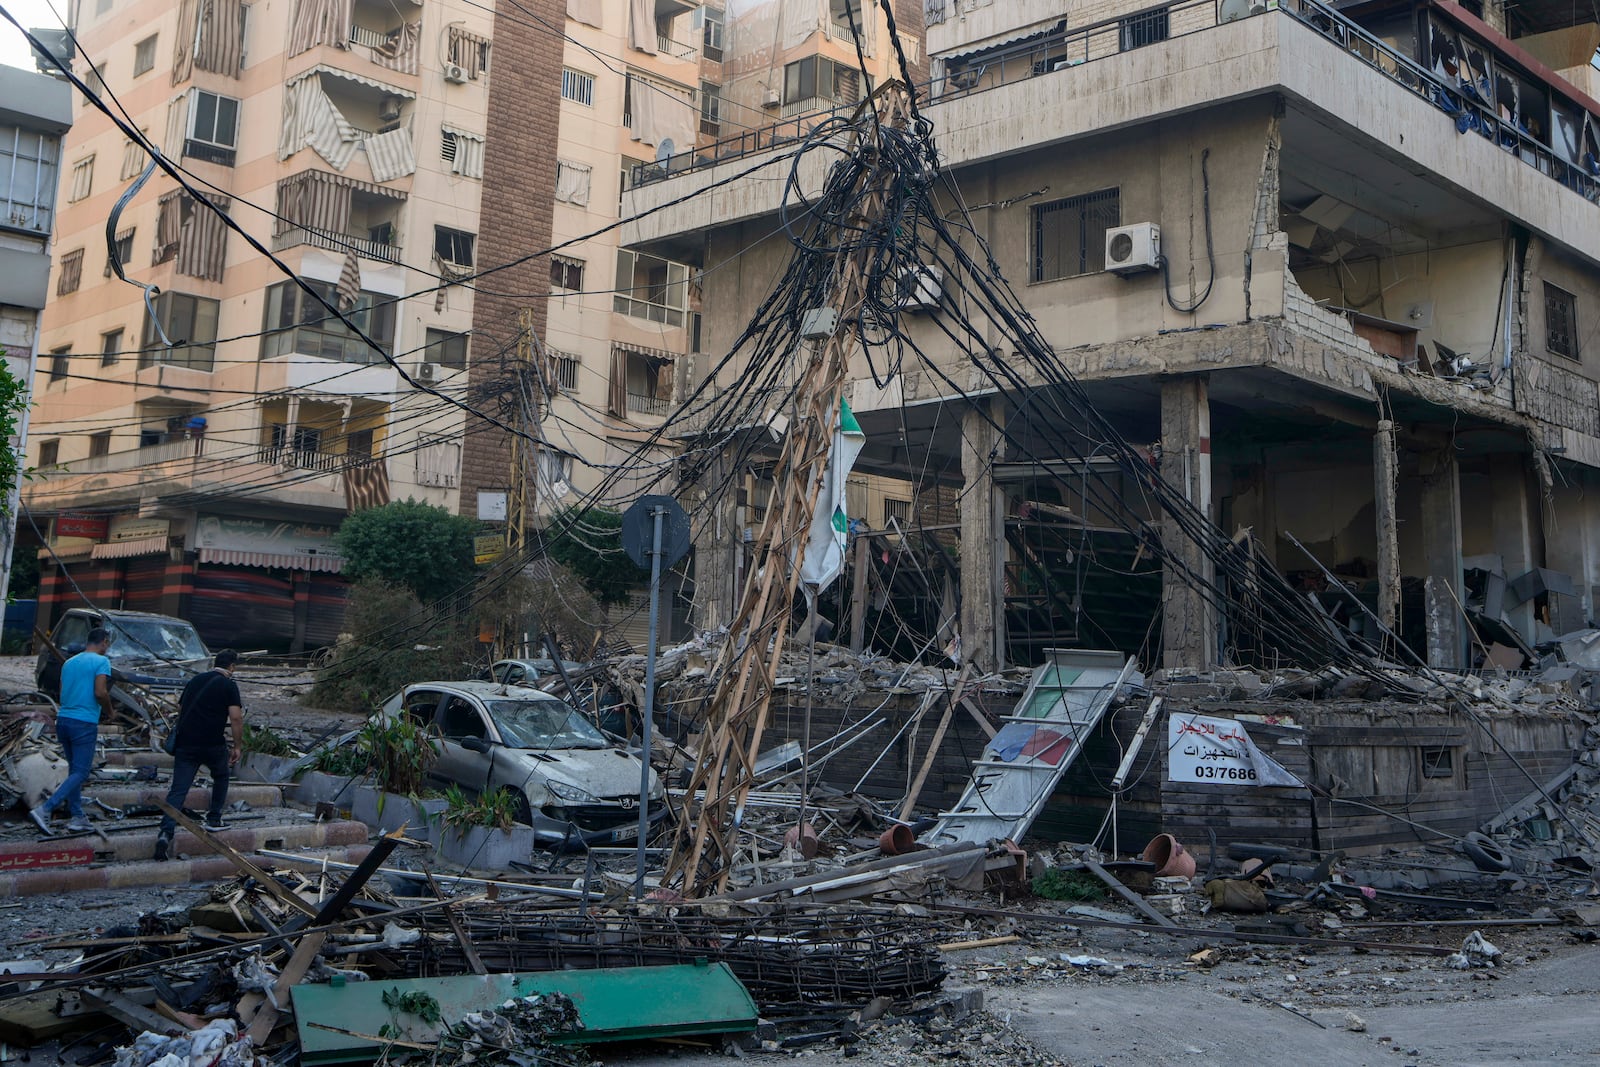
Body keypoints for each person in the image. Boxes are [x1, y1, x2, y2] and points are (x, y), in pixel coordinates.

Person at [154, 649, 244, 861]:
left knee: (178, 789)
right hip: (212, 743)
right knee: (221, 775)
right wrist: (237, 746)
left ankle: (165, 832)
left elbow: (181, 707)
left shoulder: (195, 680)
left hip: (186, 743)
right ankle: (214, 819)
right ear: (232, 667)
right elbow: (236, 718)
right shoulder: (229, 685)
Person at [29, 627, 113, 835]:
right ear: (103, 642)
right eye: (107, 643)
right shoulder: (102, 662)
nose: (107, 647)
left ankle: (77, 816)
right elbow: (100, 691)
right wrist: (110, 711)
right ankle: (45, 809)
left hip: (64, 719)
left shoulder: (69, 663)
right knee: (82, 772)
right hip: (83, 722)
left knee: (74, 770)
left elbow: (62, 689)